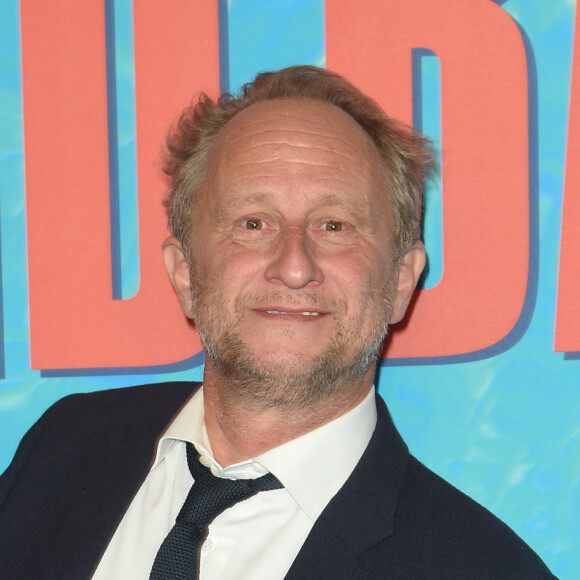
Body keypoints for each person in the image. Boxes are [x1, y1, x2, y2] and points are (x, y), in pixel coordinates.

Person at [0, 66, 556, 579]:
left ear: (401, 282)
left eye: (335, 225)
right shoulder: (64, 449)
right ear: (185, 273)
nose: (294, 266)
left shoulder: (483, 567)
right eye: (253, 222)